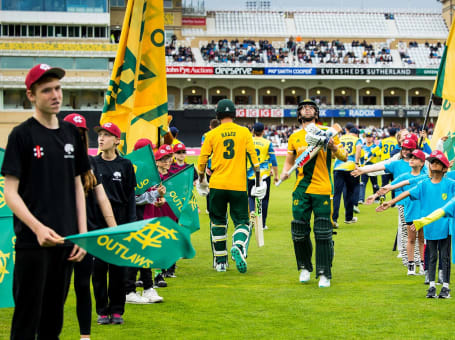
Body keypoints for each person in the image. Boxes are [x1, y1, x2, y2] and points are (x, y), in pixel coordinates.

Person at [2, 64, 90, 340]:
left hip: (65, 243)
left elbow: (78, 185)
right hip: (33, 243)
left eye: (58, 88)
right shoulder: (21, 135)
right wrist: (38, 228)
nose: (55, 95)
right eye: (47, 90)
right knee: (27, 320)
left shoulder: (71, 134)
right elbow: (10, 193)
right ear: (31, 95)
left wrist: (83, 234)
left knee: (53, 321)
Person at [279, 99, 347, 288]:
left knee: (323, 232)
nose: (307, 109)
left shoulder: (328, 132)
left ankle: (324, 272)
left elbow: (344, 156)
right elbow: (290, 160)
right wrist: (285, 171)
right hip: (300, 189)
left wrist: (333, 146)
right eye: (303, 107)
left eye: (311, 107)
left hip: (322, 188)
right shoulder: (294, 137)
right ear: (299, 114)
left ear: (316, 114)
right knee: (299, 231)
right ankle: (305, 268)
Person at [64, 113, 119, 339]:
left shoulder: (88, 165)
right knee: (55, 288)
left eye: (81, 133)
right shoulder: (53, 162)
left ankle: (85, 336)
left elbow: (103, 199)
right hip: (59, 236)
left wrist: (115, 229)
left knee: (82, 286)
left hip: (84, 236)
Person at [196, 99, 263, 273]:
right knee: (242, 222)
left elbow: (202, 161)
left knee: (218, 222)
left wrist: (202, 180)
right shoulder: (244, 132)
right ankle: (238, 246)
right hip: (238, 185)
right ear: (234, 114)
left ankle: (220, 262)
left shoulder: (211, 134)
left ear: (217, 115)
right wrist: (258, 182)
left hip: (217, 184)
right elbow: (255, 161)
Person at [377, 150, 455, 298]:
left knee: (444, 256)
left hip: (446, 225)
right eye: (432, 162)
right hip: (430, 226)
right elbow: (407, 192)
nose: (434, 164)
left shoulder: (451, 184)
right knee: (431, 255)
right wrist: (391, 202)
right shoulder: (424, 184)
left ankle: (445, 287)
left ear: (445, 168)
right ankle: (432, 286)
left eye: (438, 162)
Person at [92, 122, 137, 325]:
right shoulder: (92, 163)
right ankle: (102, 310)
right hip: (98, 223)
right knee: (99, 269)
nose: (101, 138)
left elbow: (130, 198)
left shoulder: (125, 165)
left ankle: (117, 310)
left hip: (120, 221)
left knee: (118, 269)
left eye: (107, 135)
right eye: (100, 134)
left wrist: (131, 226)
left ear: (117, 140)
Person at [367, 149, 427, 275]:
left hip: (423, 211)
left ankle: (422, 264)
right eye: (411, 157)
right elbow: (389, 187)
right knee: (411, 239)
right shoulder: (405, 176)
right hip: (410, 210)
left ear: (422, 163)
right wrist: (375, 195)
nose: (411, 159)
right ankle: (411, 266)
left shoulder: (426, 174)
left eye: (415, 158)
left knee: (421, 239)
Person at [125, 138, 164, 304]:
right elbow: (135, 197)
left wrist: (158, 197)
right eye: (151, 149)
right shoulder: (135, 169)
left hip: (146, 215)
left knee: (145, 253)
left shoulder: (145, 168)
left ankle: (146, 288)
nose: (153, 153)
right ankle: (132, 290)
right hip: (137, 216)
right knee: (140, 253)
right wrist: (155, 195)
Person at [247, 122, 279, 230]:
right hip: (264, 174)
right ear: (263, 131)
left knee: (251, 196)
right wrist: (276, 175)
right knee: (264, 199)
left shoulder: (248, 142)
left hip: (250, 174)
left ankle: (252, 212)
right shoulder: (267, 143)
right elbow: (273, 160)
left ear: (253, 131)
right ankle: (262, 224)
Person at [332, 126, 362, 226]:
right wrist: (357, 163)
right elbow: (358, 149)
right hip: (350, 167)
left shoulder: (340, 138)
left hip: (338, 167)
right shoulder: (357, 139)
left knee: (337, 194)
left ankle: (334, 219)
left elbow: (334, 151)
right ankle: (348, 218)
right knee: (349, 193)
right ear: (356, 134)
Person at [201, 119, 221, 213]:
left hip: (209, 165)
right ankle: (219, 207)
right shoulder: (222, 135)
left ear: (210, 127)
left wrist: (205, 167)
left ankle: (209, 208)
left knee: (209, 187)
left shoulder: (205, 136)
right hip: (221, 165)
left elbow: (204, 152)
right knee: (220, 187)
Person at [359, 131, 380, 204]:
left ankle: (377, 198)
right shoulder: (363, 147)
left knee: (375, 183)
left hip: (372, 166)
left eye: (370, 137)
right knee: (362, 183)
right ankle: (361, 199)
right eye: (367, 137)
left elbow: (378, 153)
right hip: (364, 166)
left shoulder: (374, 147)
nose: (368, 139)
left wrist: (372, 155)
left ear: (372, 138)